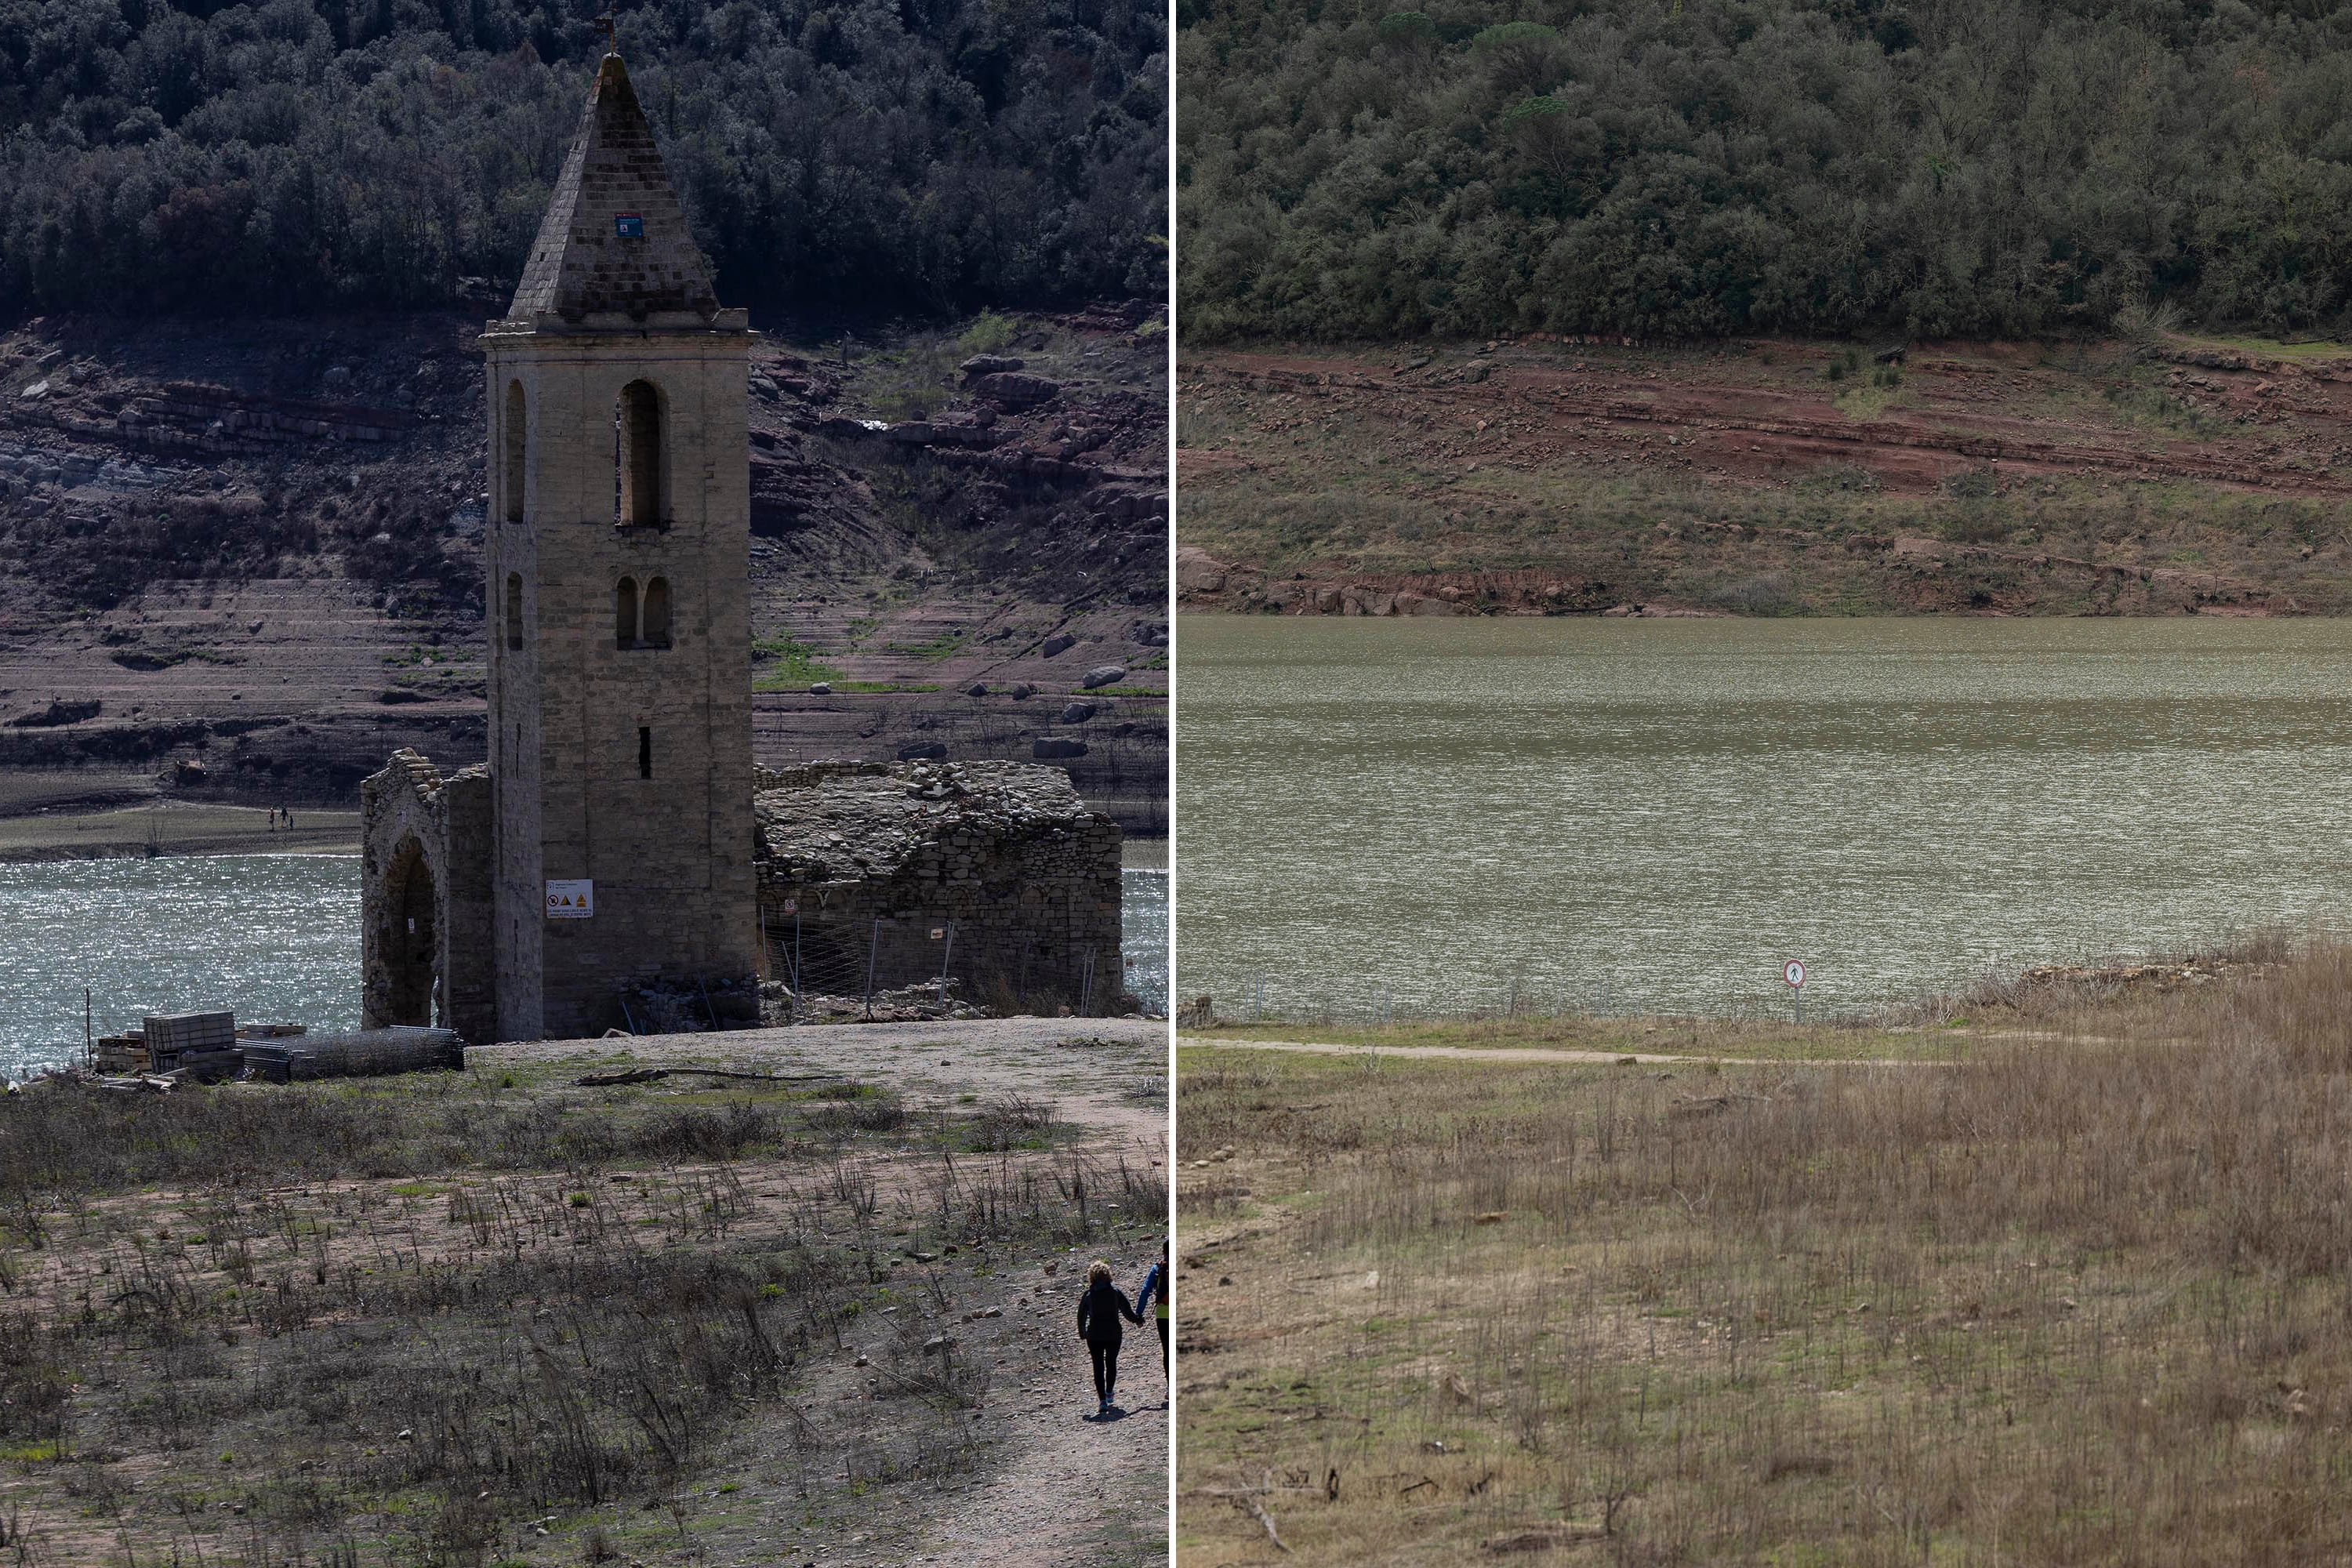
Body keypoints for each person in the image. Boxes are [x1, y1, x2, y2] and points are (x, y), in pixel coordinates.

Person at [1076, 1259, 1142, 1417]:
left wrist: (1082, 1333)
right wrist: (1137, 1320)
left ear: (1091, 1276)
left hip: (1094, 1335)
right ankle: (1109, 1391)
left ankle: (1102, 1401)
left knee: (1097, 1366)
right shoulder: (1115, 1292)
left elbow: (1081, 1316)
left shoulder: (1088, 1294)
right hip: (1113, 1334)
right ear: (1108, 1275)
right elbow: (1127, 1311)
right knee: (1111, 1362)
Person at [1133, 1238, 1170, 1388]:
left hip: (1163, 1314)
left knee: (1168, 1350)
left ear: (1163, 1252)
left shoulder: (1158, 1269)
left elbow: (1145, 1291)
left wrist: (1138, 1315)